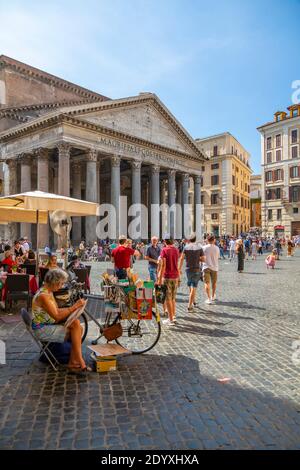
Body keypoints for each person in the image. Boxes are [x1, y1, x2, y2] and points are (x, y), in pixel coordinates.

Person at [31, 268, 91, 373]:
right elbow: (57, 316)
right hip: (42, 330)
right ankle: (78, 361)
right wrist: (75, 307)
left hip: (47, 324)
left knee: (77, 326)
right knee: (77, 327)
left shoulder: (47, 292)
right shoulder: (44, 296)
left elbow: (56, 311)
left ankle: (73, 361)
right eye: (61, 283)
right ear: (55, 282)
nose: (62, 286)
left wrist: (73, 310)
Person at [178, 233, 205, 312]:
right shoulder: (199, 247)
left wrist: (179, 268)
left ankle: (193, 301)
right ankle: (189, 306)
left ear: (189, 240)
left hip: (188, 269)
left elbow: (182, 258)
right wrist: (197, 259)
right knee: (194, 287)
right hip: (196, 269)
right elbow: (203, 260)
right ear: (195, 239)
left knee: (190, 285)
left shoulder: (186, 247)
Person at [158, 235, 180, 326]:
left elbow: (163, 265)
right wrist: (179, 277)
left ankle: (170, 319)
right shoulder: (176, 250)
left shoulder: (164, 250)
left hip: (167, 276)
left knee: (168, 298)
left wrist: (159, 279)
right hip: (175, 276)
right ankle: (173, 316)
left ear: (165, 241)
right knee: (173, 298)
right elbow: (177, 263)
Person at [202, 235, 220, 305]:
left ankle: (209, 298)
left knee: (207, 283)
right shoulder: (217, 248)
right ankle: (213, 295)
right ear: (214, 240)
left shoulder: (203, 248)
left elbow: (202, 257)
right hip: (215, 267)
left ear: (207, 240)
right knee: (214, 283)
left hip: (206, 267)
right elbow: (217, 257)